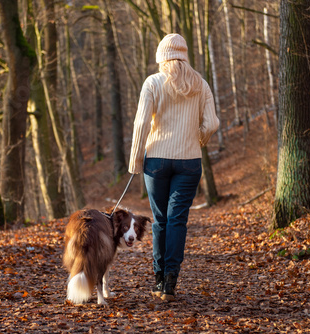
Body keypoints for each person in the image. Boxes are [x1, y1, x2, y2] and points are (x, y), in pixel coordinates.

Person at [128, 33, 220, 301]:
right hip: (189, 161)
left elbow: (142, 123)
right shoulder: (200, 83)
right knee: (178, 219)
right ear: (184, 55)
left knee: (160, 220)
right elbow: (212, 123)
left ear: (161, 58)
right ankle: (170, 281)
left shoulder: (153, 82)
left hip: (156, 160)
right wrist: (198, 138)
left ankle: (158, 279)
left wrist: (135, 159)